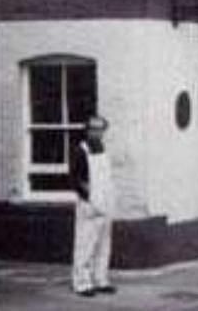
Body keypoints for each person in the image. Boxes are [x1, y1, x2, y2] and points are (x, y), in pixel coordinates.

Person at [71, 115, 116, 297]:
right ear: (87, 130)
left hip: (106, 202)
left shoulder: (103, 149)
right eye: (93, 129)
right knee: (85, 244)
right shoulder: (80, 151)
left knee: (104, 244)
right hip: (89, 204)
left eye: (100, 130)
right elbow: (75, 178)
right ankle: (81, 282)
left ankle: (101, 279)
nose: (97, 133)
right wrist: (88, 197)